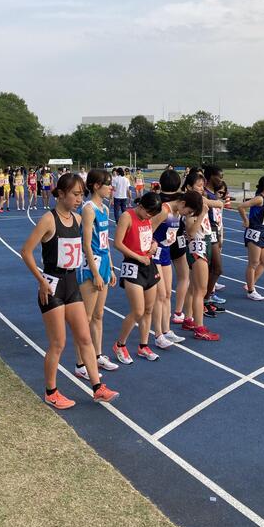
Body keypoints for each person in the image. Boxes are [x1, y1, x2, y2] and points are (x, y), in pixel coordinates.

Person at [21, 173, 119, 409]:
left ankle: (97, 387)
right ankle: (51, 391)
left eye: (81, 194)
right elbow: (26, 252)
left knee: (85, 337)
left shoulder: (77, 218)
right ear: (61, 194)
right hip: (52, 286)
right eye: (75, 194)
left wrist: (106, 268)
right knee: (58, 343)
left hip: (72, 283)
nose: (78, 198)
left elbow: (88, 246)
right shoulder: (48, 220)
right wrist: (41, 280)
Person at [74, 169, 119, 379]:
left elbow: (105, 242)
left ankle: (98, 354)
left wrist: (110, 268)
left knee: (99, 315)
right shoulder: (89, 209)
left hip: (103, 264)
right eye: (107, 184)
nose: (111, 187)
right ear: (95, 186)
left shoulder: (105, 208)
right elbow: (86, 243)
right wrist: (95, 272)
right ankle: (80, 363)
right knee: (86, 317)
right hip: (91, 266)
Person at [112, 192, 165, 364]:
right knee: (138, 311)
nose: (150, 217)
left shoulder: (148, 218)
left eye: (153, 215)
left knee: (149, 309)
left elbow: (149, 237)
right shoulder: (127, 216)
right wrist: (137, 256)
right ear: (141, 206)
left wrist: (154, 244)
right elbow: (117, 243)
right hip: (132, 266)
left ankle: (143, 346)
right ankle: (120, 344)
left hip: (148, 266)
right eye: (148, 213)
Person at [151, 178, 204, 348]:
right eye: (187, 211)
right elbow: (147, 230)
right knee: (159, 296)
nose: (186, 215)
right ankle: (158, 334)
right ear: (182, 203)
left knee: (167, 294)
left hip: (166, 253)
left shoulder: (177, 212)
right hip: (155, 254)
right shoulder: (164, 211)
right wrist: (150, 247)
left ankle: (166, 331)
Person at [181, 172, 220, 340]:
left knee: (193, 288)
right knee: (200, 290)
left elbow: (219, 203)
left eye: (202, 185)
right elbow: (190, 231)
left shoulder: (200, 203)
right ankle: (199, 327)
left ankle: (189, 318)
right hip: (198, 248)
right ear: (189, 187)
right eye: (198, 185)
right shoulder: (191, 210)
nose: (202, 189)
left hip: (203, 245)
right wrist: (203, 213)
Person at [238, 176, 264, 301]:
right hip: (254, 232)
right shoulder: (259, 198)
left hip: (262, 232)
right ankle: (251, 291)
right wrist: (246, 220)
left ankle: (250, 283)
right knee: (253, 263)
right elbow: (241, 206)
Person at [159, 169, 189, 325]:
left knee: (160, 283)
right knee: (184, 275)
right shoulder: (180, 200)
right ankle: (178, 312)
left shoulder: (155, 199)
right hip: (177, 238)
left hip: (158, 241)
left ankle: (158, 311)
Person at [203, 166, 226, 313]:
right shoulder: (205, 193)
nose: (221, 180)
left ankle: (206, 299)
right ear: (211, 177)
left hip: (214, 231)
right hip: (206, 232)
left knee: (214, 269)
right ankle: (204, 299)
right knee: (216, 268)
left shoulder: (213, 194)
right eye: (219, 177)